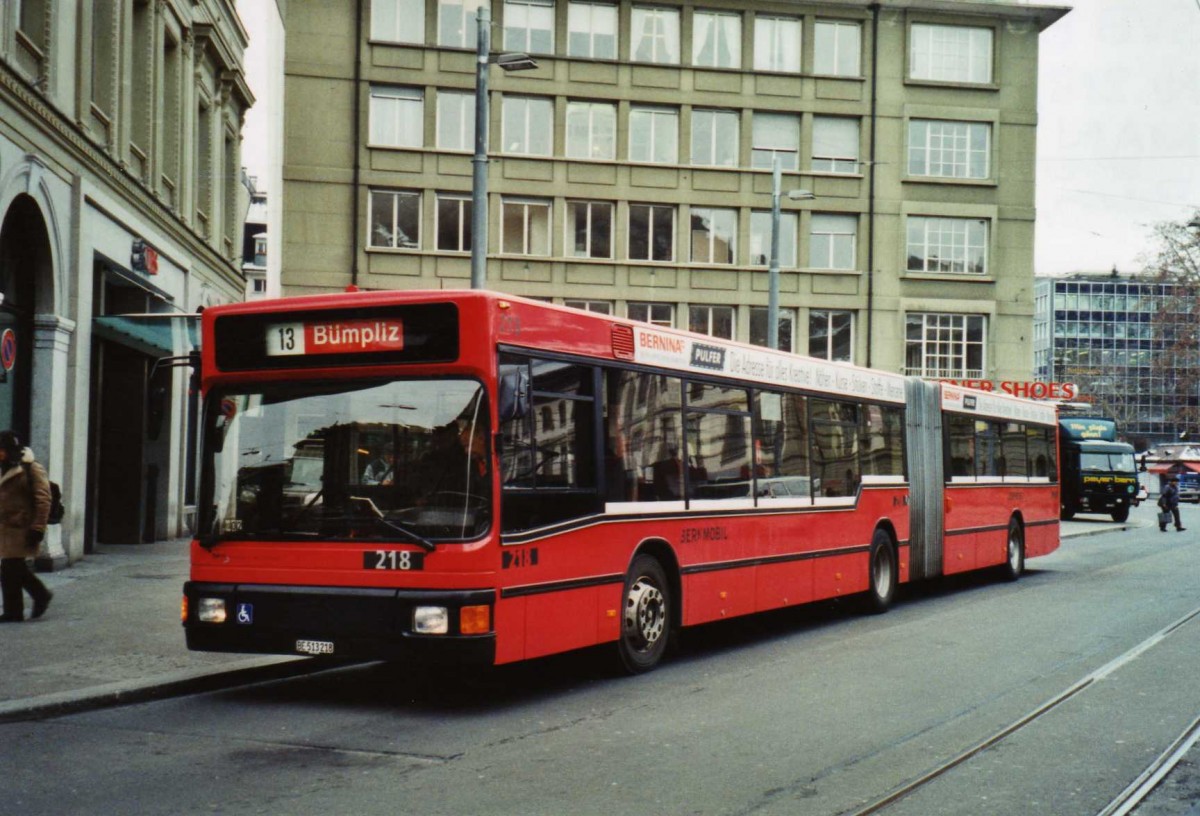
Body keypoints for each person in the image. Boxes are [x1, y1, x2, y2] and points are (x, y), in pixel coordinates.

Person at [0, 431, 52, 622]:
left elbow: (44, 499)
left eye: (2, 450)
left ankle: (27, 603)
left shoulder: (31, 468)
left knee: (11, 567)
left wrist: (38, 528)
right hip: (6, 526)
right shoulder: (3, 468)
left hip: (22, 526)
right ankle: (24, 604)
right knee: (11, 568)